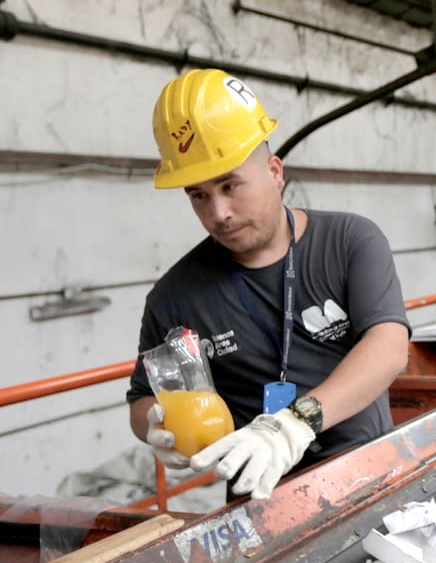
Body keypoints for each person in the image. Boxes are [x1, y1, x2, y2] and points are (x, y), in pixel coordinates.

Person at [128, 69, 412, 501]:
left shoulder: (350, 241)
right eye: (198, 195)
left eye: (230, 185)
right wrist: (157, 425)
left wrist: (295, 423)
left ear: (275, 171)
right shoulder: (175, 296)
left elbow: (389, 347)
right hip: (261, 498)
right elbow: (143, 401)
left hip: (368, 474)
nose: (218, 212)